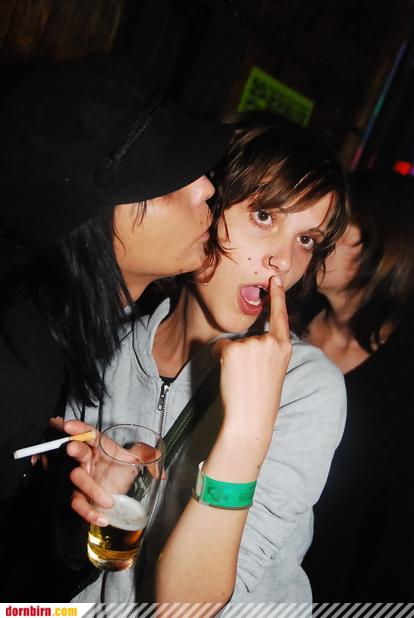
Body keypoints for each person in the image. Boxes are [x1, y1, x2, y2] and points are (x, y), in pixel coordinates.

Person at [64, 112, 348, 606]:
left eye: (307, 240)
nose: (284, 261)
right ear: (208, 205)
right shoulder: (108, 344)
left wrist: (245, 429)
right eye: (265, 216)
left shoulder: (305, 385)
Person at [0, 53, 231, 539]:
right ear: (91, 218)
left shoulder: (77, 334)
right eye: (167, 180)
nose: (207, 188)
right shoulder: (18, 366)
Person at [301, 170, 414, 600]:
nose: (318, 230)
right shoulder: (282, 316)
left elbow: (390, 548)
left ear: (381, 250)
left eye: (337, 221)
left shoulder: (401, 391)